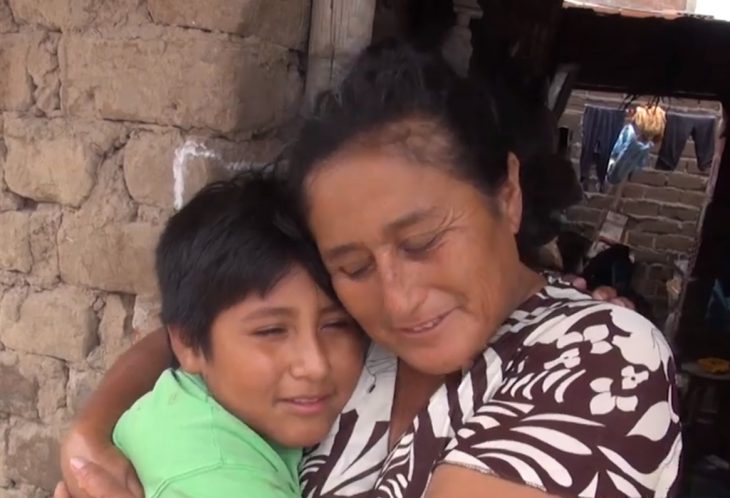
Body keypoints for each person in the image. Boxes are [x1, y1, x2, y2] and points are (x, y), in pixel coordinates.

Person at [56, 41, 680, 498]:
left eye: (424, 241)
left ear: (507, 193)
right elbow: (197, 330)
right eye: (351, 265)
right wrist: (90, 438)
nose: (400, 300)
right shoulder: (351, 345)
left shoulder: (602, 356)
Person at [65, 173, 364, 498]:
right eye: (272, 331)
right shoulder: (216, 471)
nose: (315, 365)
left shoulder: (194, 401)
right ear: (189, 343)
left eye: (336, 324)